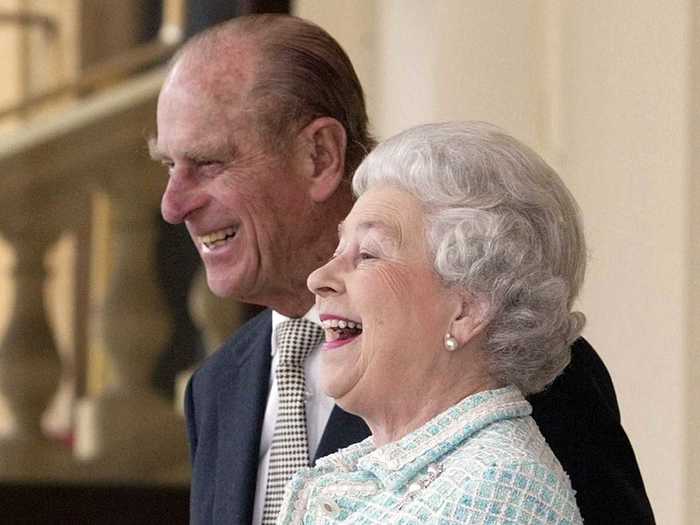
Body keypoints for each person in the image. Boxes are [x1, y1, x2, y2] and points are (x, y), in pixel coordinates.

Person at [151, 14, 654, 525]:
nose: (172, 205)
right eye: (168, 166)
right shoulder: (215, 388)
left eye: (208, 163)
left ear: (319, 156)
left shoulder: (515, 363)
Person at [278, 120, 585, 523]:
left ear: (467, 310)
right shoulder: (392, 472)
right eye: (339, 248)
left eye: (368, 254)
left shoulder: (495, 492)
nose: (319, 279)